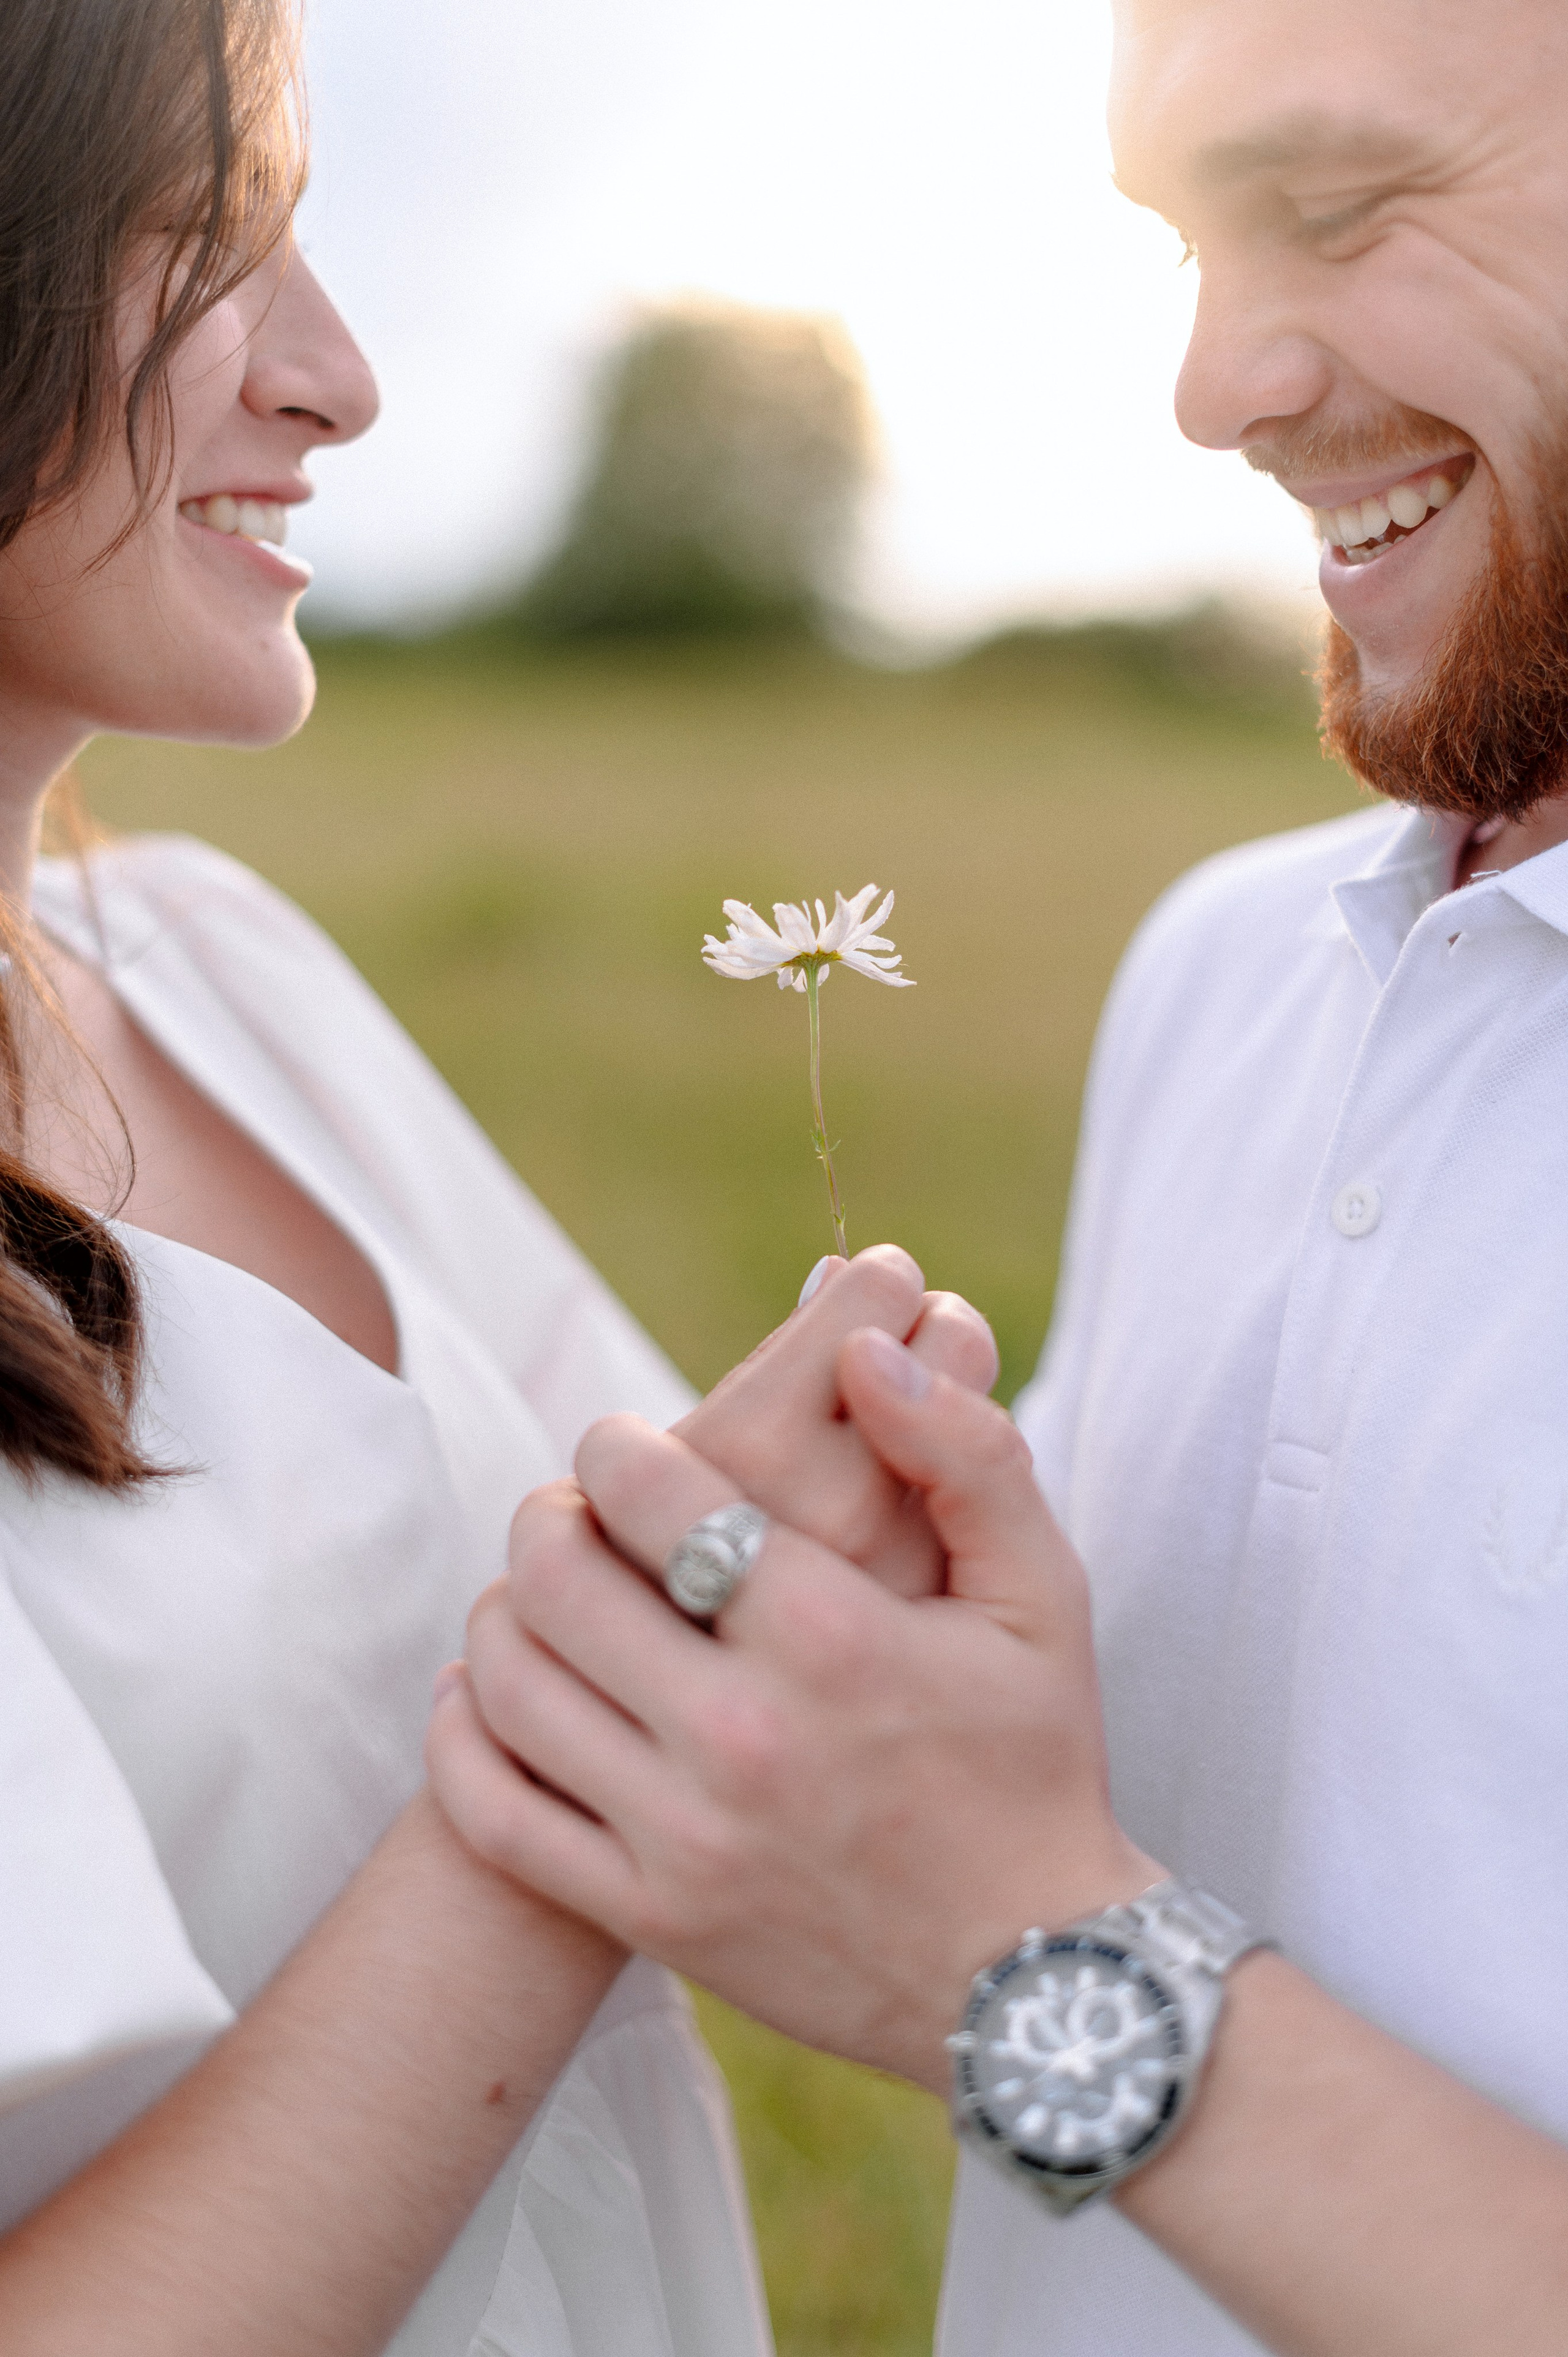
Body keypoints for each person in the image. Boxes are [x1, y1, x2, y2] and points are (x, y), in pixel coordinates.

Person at [428, 0, 1568, 2350]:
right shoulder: (1227, 974)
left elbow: (1020, 1903)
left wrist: (1018, 1958)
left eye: (1341, 211)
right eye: (1181, 248)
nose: (1214, 383)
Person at [0, 2, 999, 2349]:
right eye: (207, 246)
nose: (339, 378)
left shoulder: (216, 967)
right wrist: (605, 1759)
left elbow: (753, 1572)